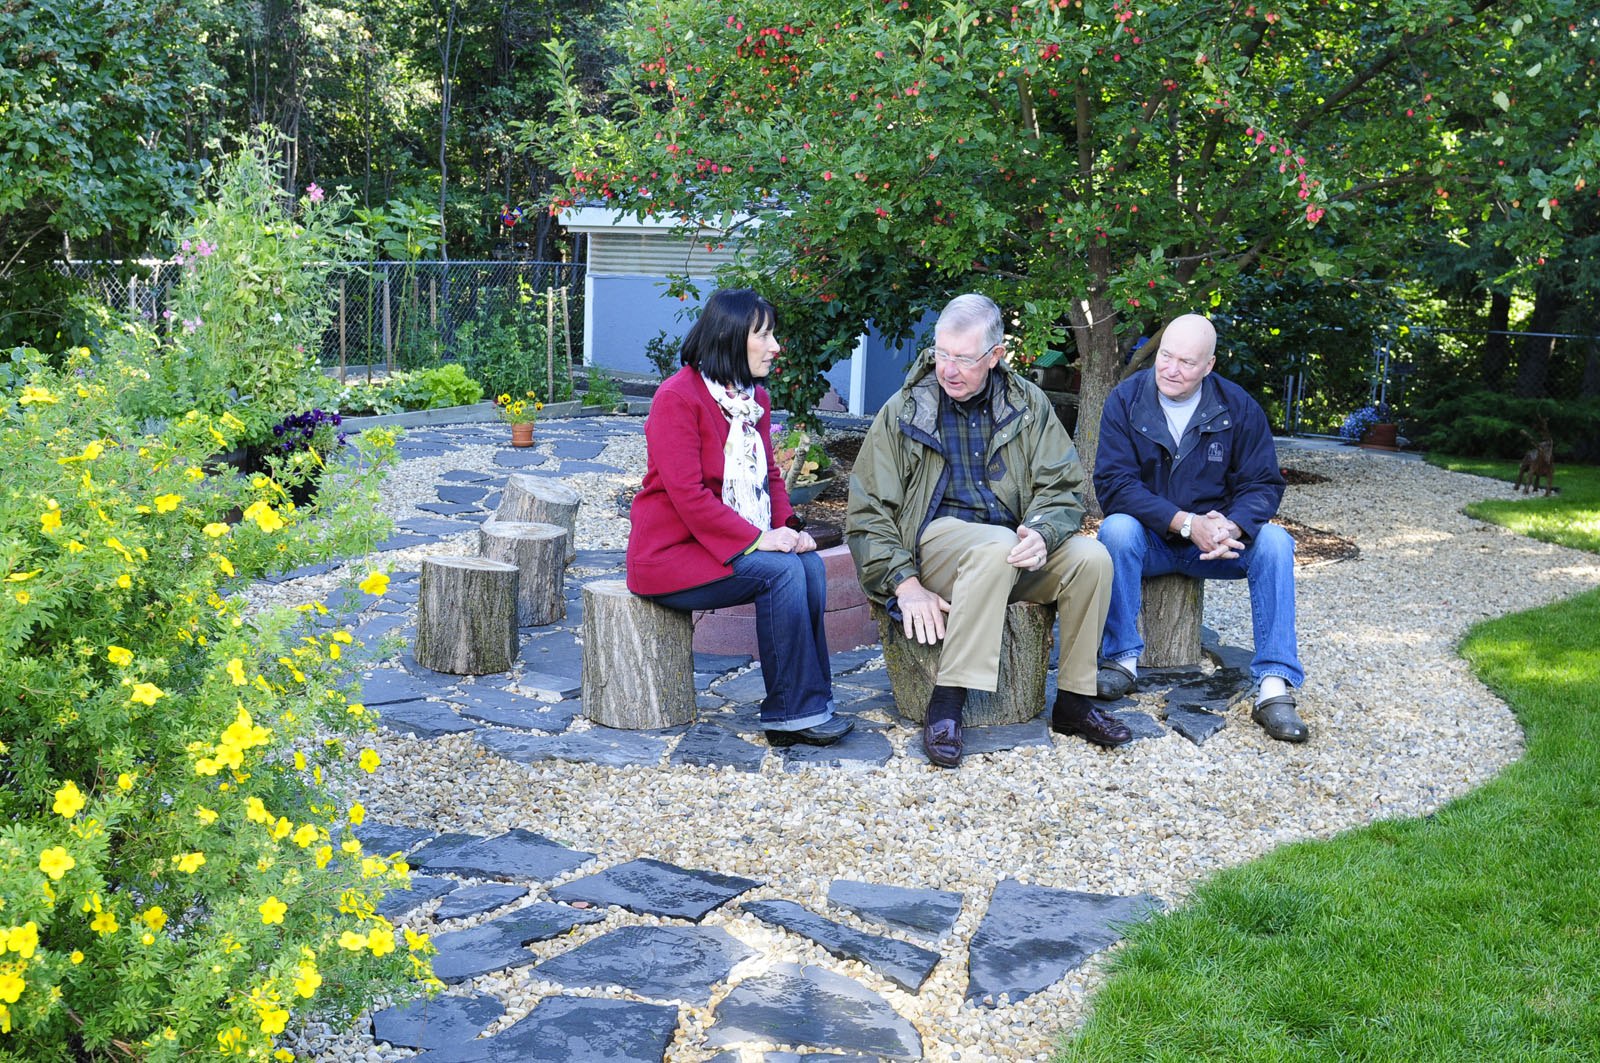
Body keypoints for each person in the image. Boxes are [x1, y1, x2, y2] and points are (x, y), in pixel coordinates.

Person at [847, 293, 1126, 768]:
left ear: (996, 356)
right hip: (935, 548)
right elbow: (867, 511)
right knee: (997, 544)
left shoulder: (1028, 404)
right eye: (941, 354)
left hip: (1007, 550)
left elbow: (1062, 486)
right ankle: (947, 701)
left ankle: (1075, 700)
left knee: (1091, 558)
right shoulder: (904, 410)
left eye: (964, 358)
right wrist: (903, 583)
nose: (949, 369)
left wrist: (1041, 531)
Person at [626, 288, 852, 747]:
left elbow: (769, 472)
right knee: (781, 571)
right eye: (764, 335)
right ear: (731, 337)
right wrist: (757, 540)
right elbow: (687, 495)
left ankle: (811, 701)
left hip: (718, 548)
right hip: (671, 556)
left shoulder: (753, 399)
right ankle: (789, 715)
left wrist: (789, 528)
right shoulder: (677, 398)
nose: (776, 346)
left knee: (807, 563)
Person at [1092, 313, 1308, 742]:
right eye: (1165, 356)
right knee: (1115, 529)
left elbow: (1263, 483)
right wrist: (1186, 523)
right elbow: (1113, 485)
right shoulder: (1126, 399)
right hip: (1150, 539)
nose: (1171, 369)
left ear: (1209, 365)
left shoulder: (1238, 406)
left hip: (1215, 546)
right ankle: (1120, 661)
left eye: (1187, 362)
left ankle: (1273, 684)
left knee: (1277, 543)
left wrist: (1232, 525)